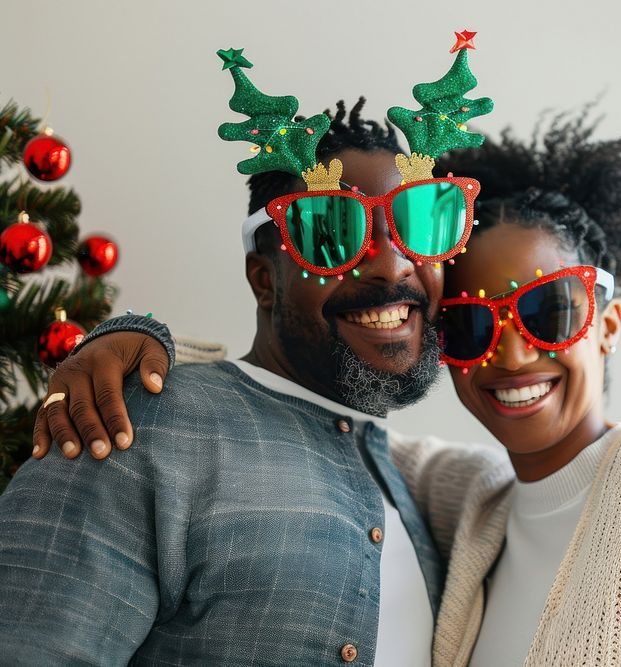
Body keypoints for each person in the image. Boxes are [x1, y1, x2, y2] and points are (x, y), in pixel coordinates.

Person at [21, 112, 621, 665]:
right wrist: (133, 341)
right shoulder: (461, 500)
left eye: (548, 310)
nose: (511, 353)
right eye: (473, 323)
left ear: (606, 318)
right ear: (262, 271)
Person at [0, 98, 464, 666]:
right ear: (265, 280)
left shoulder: (410, 485)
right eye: (333, 234)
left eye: (419, 225)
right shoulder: (131, 422)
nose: (393, 267)